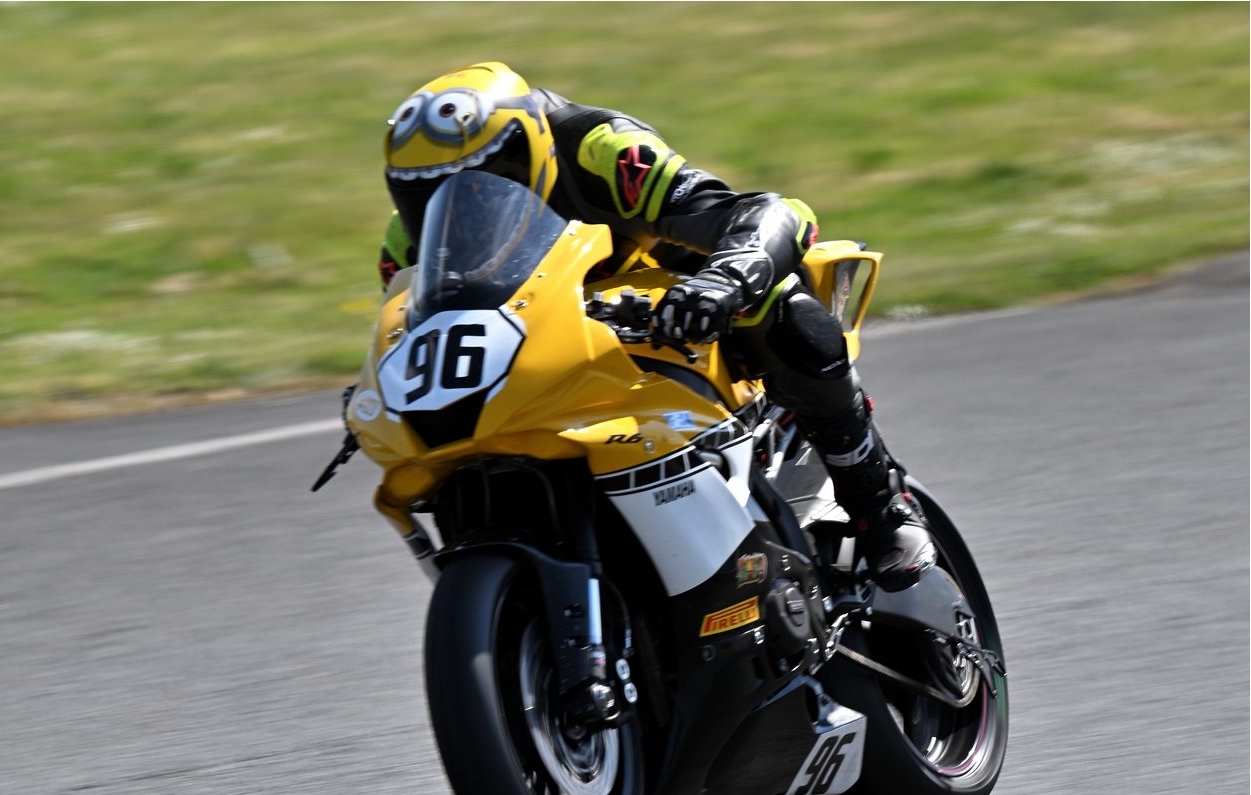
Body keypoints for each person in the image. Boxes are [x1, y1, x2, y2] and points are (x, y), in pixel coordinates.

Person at [377, 62, 932, 591]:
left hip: (680, 312)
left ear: (531, 148)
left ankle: (879, 505)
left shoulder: (601, 151)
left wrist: (721, 284)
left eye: (485, 180)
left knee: (783, 306)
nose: (463, 205)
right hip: (556, 357)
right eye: (426, 194)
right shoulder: (408, 244)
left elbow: (766, 214)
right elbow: (413, 333)